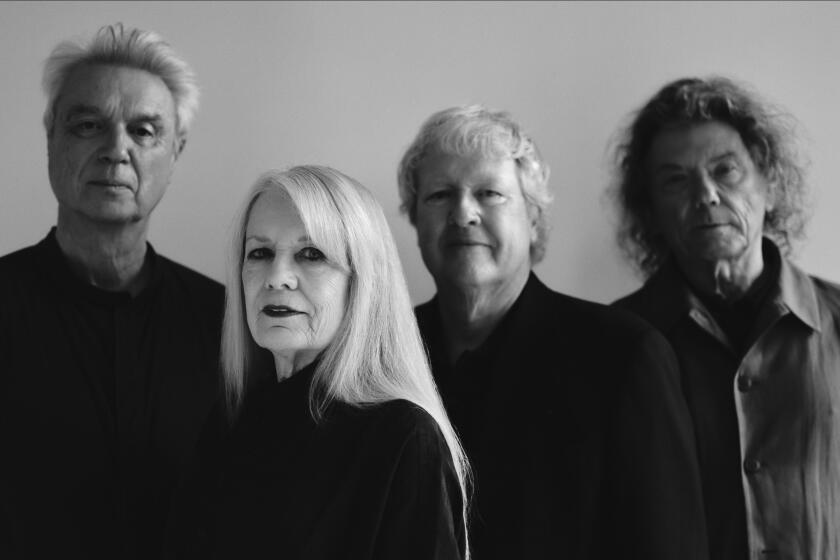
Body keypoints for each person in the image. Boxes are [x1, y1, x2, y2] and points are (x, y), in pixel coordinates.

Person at [396, 105, 708, 560]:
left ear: (534, 218)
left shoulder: (622, 356)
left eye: (489, 193)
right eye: (440, 195)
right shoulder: (381, 357)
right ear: (415, 222)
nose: (464, 213)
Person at [165, 166, 469, 559]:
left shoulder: (404, 439)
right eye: (260, 252)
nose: (277, 277)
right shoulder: (232, 419)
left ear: (361, 283)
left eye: (311, 254)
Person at [0, 24, 223, 559]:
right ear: (51, 137)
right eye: (87, 125)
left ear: (176, 151)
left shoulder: (226, 324)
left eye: (144, 131)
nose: (116, 149)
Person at [611, 76, 840, 560]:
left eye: (726, 170)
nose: (706, 195)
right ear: (650, 211)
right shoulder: (612, 340)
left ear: (770, 186)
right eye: (676, 179)